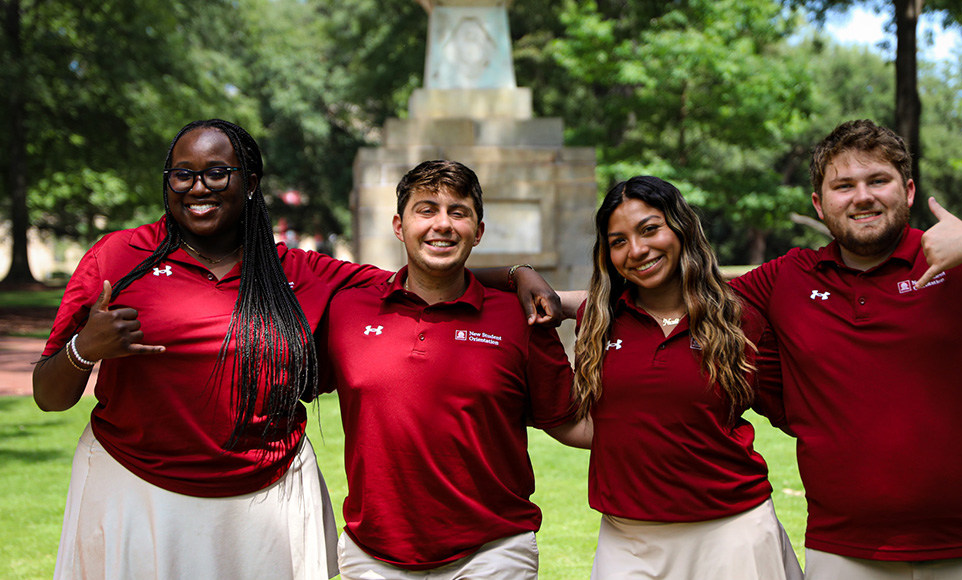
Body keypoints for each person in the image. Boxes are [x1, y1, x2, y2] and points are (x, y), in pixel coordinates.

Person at [32, 121, 557, 580]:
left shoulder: (301, 271)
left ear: (251, 183)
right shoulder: (119, 257)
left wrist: (516, 274)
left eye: (217, 173)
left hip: (264, 497)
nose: (198, 187)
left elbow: (422, 274)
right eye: (182, 173)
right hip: (136, 490)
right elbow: (48, 395)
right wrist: (84, 348)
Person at [726, 119, 962, 579]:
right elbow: (692, 307)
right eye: (843, 185)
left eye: (878, 180)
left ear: (908, 191)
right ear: (819, 202)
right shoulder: (788, 278)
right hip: (845, 550)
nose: (862, 196)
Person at [319, 160, 589, 580]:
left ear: (478, 231)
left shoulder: (521, 316)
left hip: (492, 553)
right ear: (398, 224)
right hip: (372, 555)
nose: (442, 224)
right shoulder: (347, 309)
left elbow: (567, 420)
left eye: (458, 212)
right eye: (426, 210)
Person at [569, 176, 803, 579]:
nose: (637, 250)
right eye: (618, 240)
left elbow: (794, 412)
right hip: (628, 539)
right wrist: (518, 274)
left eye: (649, 229)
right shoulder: (596, 322)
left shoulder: (739, 320)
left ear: (680, 228)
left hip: (732, 530)